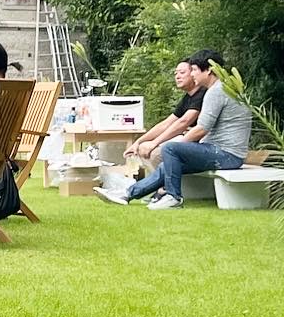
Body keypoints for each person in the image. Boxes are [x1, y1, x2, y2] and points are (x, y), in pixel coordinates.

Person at [99, 51, 251, 209]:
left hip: (227, 154)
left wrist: (178, 147)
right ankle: (127, 194)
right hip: (222, 152)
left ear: (208, 70)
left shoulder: (217, 91)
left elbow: (201, 129)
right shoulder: (221, 88)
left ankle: (173, 197)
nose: (192, 74)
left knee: (170, 148)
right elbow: (172, 123)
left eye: (194, 70)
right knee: (166, 165)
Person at [123, 60, 207, 168]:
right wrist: (138, 142)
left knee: (156, 154)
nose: (177, 77)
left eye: (182, 72)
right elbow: (167, 123)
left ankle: (169, 179)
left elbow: (184, 122)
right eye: (176, 73)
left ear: (193, 73)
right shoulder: (188, 97)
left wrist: (154, 143)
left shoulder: (204, 93)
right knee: (142, 148)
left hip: (204, 144)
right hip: (187, 139)